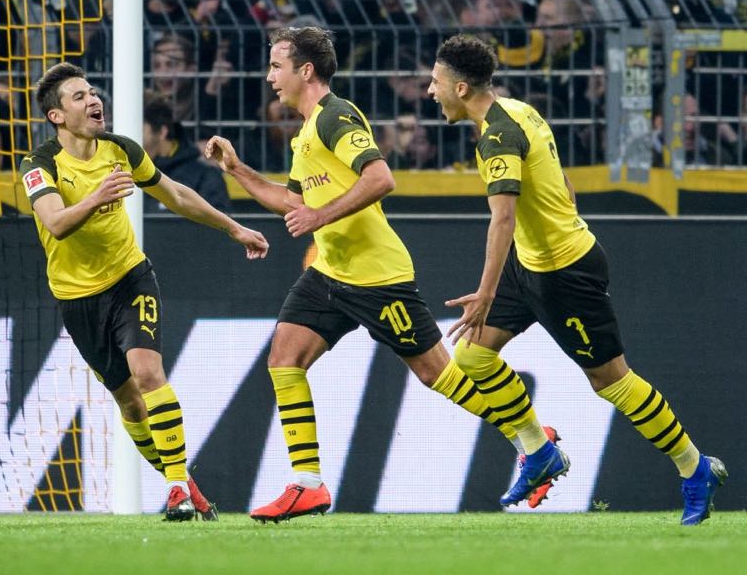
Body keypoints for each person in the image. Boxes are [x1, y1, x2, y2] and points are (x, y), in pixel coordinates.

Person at [205, 26, 565, 523]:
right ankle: (307, 483)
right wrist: (238, 171)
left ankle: (532, 441)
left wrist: (318, 217)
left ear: (304, 71)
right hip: (331, 273)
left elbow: (381, 178)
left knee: (437, 374)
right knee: (284, 357)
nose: (269, 77)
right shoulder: (308, 132)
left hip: (377, 278)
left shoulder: (337, 116)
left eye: (276, 66)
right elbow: (292, 202)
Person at [427, 34, 727, 525]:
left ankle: (696, 469)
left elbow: (501, 219)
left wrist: (485, 292)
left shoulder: (496, 138)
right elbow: (561, 180)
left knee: (611, 382)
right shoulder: (520, 110)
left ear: (460, 88)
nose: (429, 90)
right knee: (473, 355)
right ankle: (539, 451)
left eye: (435, 82)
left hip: (565, 273)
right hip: (533, 263)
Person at [19, 62, 269, 521]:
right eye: (79, 96)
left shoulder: (121, 150)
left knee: (148, 372)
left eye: (93, 92)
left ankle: (174, 487)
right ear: (56, 116)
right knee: (129, 401)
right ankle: (184, 483)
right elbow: (55, 224)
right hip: (77, 298)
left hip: (130, 278)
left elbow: (176, 194)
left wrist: (233, 228)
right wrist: (97, 197)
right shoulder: (39, 164)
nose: (94, 100)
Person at [142, 90, 232, 213]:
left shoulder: (204, 178)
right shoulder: (117, 177)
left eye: (136, 128)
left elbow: (218, 230)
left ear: (162, 132)